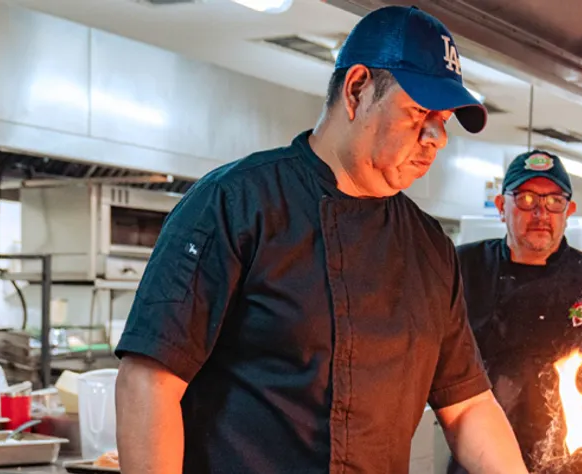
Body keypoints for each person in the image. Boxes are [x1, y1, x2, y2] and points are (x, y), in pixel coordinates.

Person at [113, 6, 526, 474]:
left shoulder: (429, 247)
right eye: (419, 113)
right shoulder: (236, 203)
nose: (437, 137)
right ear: (357, 90)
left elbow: (467, 404)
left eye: (444, 120)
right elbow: (149, 381)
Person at [450, 150, 582, 474]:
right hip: (480, 458)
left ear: (569, 211)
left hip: (570, 461)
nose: (541, 212)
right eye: (526, 198)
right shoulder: (461, 268)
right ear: (501, 207)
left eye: (554, 201)